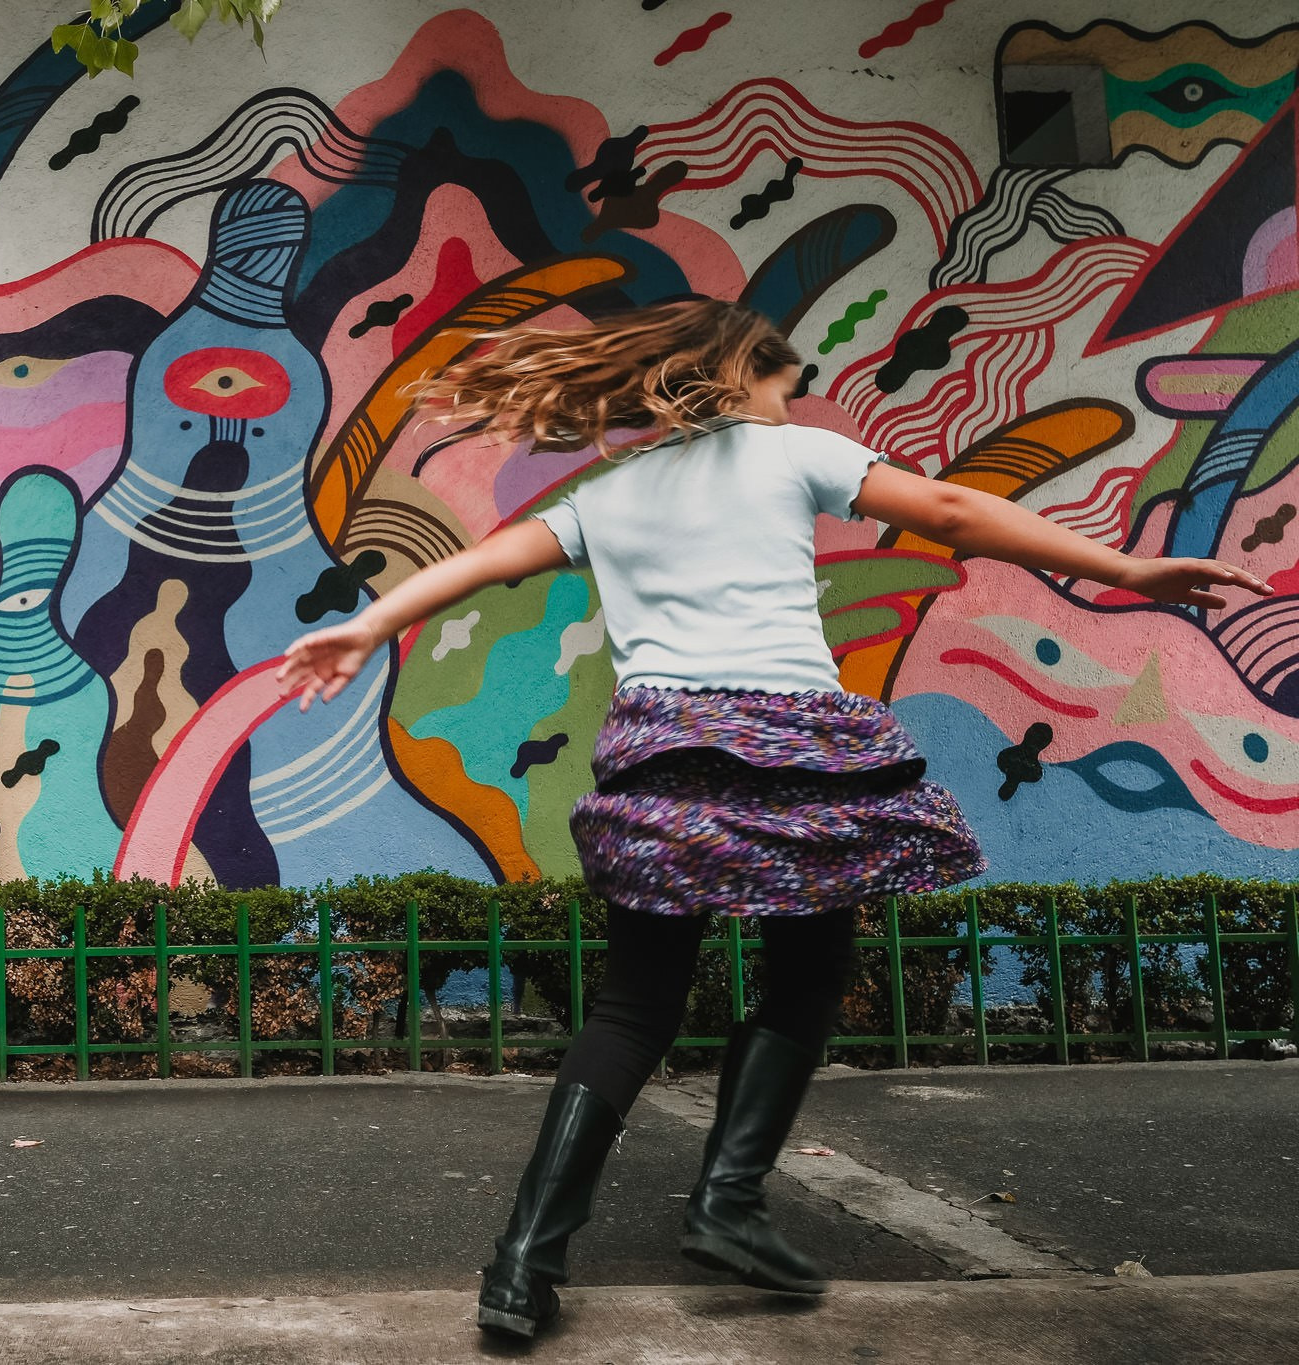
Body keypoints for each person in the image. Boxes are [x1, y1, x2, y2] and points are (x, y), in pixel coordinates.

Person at [276, 299, 1270, 1340]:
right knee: (806, 977)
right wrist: (1127, 570)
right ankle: (726, 1202)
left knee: (632, 1010)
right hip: (796, 747)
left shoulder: (605, 495)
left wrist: (369, 625)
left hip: (664, 751)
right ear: (737, 371)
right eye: (782, 381)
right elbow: (949, 510)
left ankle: (522, 1265)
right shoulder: (796, 453)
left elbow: (481, 563)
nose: (791, 401)